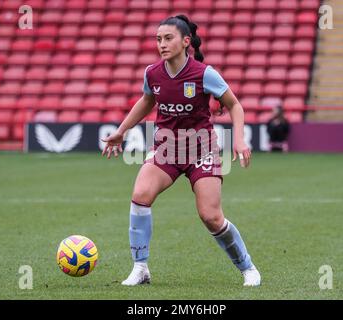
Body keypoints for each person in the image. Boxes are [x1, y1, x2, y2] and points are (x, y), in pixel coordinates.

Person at [101, 15, 261, 287]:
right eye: (158, 39)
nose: (162, 44)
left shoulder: (204, 73)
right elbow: (146, 100)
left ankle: (248, 268)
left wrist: (239, 139)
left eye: (168, 38)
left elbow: (235, 105)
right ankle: (140, 268)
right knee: (140, 195)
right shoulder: (153, 73)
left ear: (186, 42)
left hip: (202, 150)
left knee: (211, 216)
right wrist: (122, 130)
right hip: (167, 148)